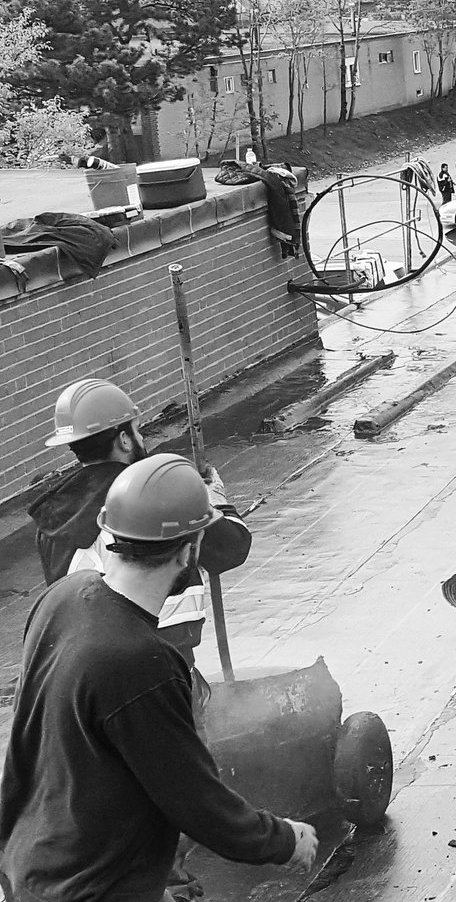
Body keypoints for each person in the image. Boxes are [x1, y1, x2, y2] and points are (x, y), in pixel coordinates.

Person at [0, 454, 317, 902]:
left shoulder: (61, 598)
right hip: (89, 888)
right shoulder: (142, 662)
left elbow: (29, 741)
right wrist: (284, 840)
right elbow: (195, 800)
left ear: (112, 532)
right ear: (190, 550)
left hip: (31, 865)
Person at [27, 378, 252, 667]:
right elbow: (232, 548)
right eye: (137, 430)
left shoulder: (52, 514)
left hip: (89, 662)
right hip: (162, 659)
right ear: (124, 439)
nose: (141, 439)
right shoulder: (154, 496)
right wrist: (214, 500)